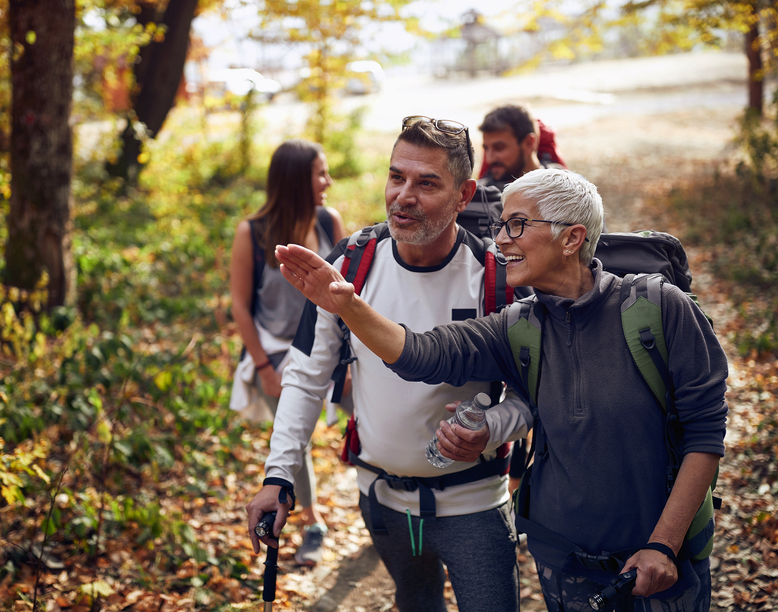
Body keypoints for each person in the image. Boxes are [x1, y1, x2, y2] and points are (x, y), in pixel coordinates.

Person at [274, 168, 727, 612]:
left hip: (659, 563)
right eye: (500, 225)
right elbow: (422, 355)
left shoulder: (660, 309)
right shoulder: (518, 325)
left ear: (571, 238)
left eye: (517, 225)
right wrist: (348, 305)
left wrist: (663, 545)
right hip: (561, 559)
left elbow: (705, 433)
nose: (501, 240)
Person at [246, 116, 531, 612]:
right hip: (381, 502)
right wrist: (278, 477)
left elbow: (536, 392)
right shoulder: (352, 263)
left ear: (464, 195)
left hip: (475, 505)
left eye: (426, 183)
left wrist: (495, 426)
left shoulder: (495, 279)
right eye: (396, 176)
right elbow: (306, 376)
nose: (403, 195)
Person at [229, 138, 348, 567]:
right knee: (291, 429)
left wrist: (348, 364)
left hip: (329, 346)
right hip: (277, 351)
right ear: (298, 180)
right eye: (320, 173)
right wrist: (262, 366)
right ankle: (313, 521)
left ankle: (391, 497)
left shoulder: (327, 221)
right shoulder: (253, 232)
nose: (328, 181)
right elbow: (240, 306)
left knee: (373, 402)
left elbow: (348, 296)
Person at [477, 104, 566, 192]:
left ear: (529, 143)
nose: (489, 159)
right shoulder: (479, 195)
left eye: (499, 148)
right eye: (486, 149)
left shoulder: (565, 188)